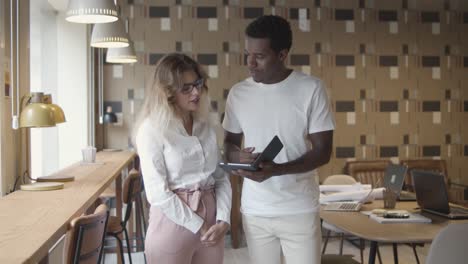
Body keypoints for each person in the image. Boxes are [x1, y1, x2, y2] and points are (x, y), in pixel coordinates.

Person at [222, 15, 335, 264]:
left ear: (282, 54)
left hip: (299, 208)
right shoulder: (239, 93)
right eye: (247, 54)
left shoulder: (311, 89)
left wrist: (278, 170)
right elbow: (228, 144)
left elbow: (323, 151)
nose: (250, 63)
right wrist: (237, 157)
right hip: (255, 210)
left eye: (259, 56)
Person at [134, 53, 232, 264]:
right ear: (167, 93)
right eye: (186, 88)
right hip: (172, 223)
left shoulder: (206, 126)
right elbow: (157, 193)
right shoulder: (151, 130)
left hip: (212, 223)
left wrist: (224, 219)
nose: (196, 92)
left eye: (197, 84)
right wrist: (199, 225)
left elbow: (221, 178)